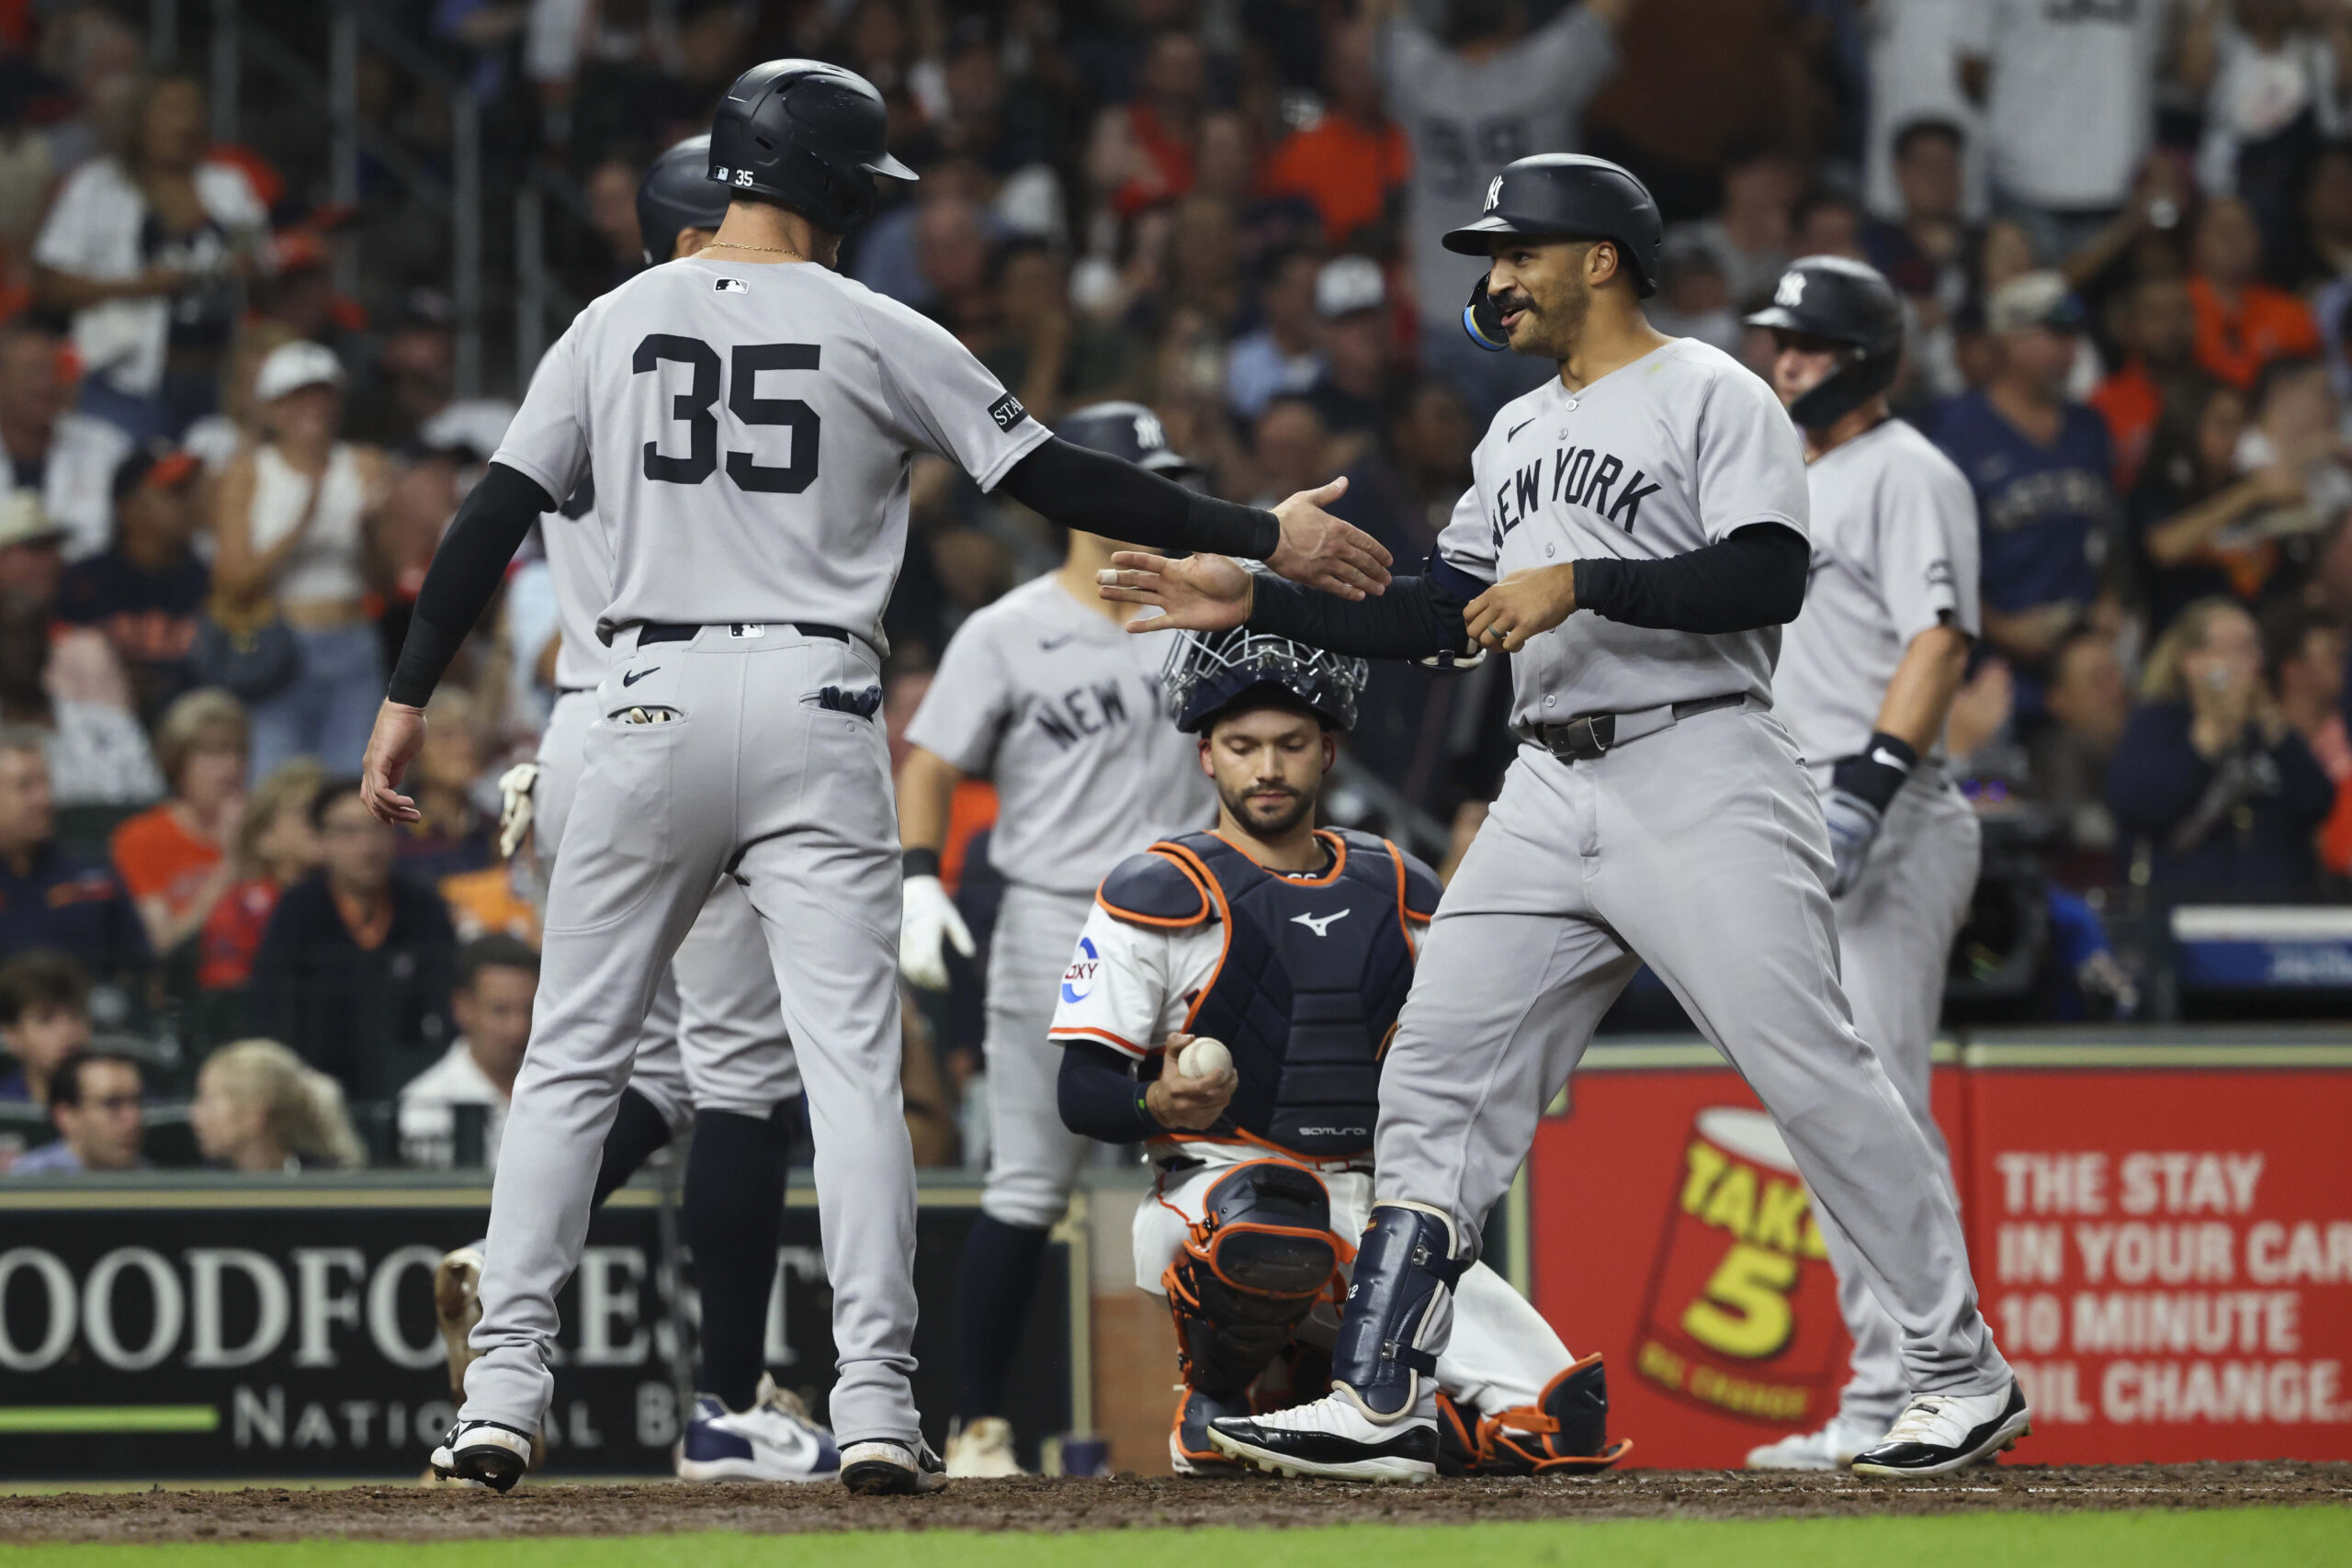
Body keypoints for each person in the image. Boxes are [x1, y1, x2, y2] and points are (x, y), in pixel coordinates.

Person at [358, 60, 1388, 1497]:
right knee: (848, 1069)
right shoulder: (877, 323)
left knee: (572, 1058)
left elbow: (490, 513)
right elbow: (1061, 480)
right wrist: (1259, 532)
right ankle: (879, 1404)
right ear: (828, 184)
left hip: (638, 694)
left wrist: (408, 692)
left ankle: (502, 1399)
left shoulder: (613, 319)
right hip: (814, 695)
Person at [1103, 153, 2024, 1481]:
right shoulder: (1516, 431)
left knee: (1812, 1072)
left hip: (1698, 758)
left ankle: (1957, 1372)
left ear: (1600, 258)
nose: (1496, 278)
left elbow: (1767, 576)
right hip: (1547, 777)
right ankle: (1382, 1390)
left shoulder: (1711, 387)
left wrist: (1582, 579)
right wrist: (1258, 597)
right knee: (1433, 1075)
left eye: (1517, 251)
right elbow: (1440, 614)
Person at [442, 134, 837, 1488]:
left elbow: (492, 513)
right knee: (743, 1079)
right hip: (695, 733)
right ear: (690, 239)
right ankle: (728, 1405)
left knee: (636, 1070)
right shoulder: (725, 356)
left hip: (580, 744)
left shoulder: (596, 351)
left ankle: (501, 1261)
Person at [1053, 626, 1629, 1478]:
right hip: (1217, 1190)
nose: (1267, 768)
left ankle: (1342, 1394)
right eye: (1242, 746)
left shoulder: (1401, 886)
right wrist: (1155, 1104)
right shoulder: (1158, 890)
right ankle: (1222, 1398)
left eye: (1290, 744)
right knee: (1275, 1230)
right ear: (1206, 755)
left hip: (1379, 1206)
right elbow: (1079, 1090)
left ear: (1327, 751)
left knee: (1557, 1422)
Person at [896, 401, 1217, 1478]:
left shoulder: (1204, 610)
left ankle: (1246, 1410)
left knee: (1229, 1166)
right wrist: (917, 877)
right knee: (1028, 1184)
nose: (1158, 500)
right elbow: (930, 764)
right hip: (1053, 914)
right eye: (1140, 480)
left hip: (1194, 915)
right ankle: (977, 1424)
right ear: (1082, 494)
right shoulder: (1007, 628)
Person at [1740, 256, 1985, 1469]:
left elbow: (1939, 640)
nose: (1786, 361)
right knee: (1830, 1115)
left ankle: (1927, 1387)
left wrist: (1867, 793)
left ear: (1866, 359)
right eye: (1780, 342)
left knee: (1879, 1107)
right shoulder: (1780, 476)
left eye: (1810, 345)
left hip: (1884, 808)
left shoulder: (1908, 469)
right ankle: (1884, 1391)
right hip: (1794, 806)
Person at [1374, 0, 1636, 423]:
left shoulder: (1418, 73)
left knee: (1460, 456)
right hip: (1542, 303)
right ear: (1515, 19)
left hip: (1447, 306)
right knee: (1547, 451)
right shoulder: (1545, 69)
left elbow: (1384, 14)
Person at [31, 73, 267, 441]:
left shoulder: (230, 186)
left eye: (194, 109)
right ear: (140, 119)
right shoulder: (97, 185)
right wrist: (141, 287)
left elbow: (260, 269)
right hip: (123, 380)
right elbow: (50, 286)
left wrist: (251, 269)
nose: (186, 122)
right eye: (171, 109)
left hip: (217, 382)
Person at [211, 340, 390, 778]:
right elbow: (232, 581)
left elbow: (386, 581)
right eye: (297, 397)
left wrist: (372, 531)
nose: (313, 408)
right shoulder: (248, 472)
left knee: (354, 782)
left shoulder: (365, 464)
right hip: (280, 645)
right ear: (273, 409)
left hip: (351, 640)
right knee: (276, 780)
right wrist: (301, 522)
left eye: (323, 394)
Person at [1931, 272, 2118, 689]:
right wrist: (1999, 626)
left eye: (2074, 336)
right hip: (1987, 665)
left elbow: (2107, 533)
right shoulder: (1956, 430)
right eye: (2056, 335)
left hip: (2078, 652)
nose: (2070, 349)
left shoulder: (2090, 428)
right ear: (2010, 339)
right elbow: (1934, 553)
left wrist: (2108, 601)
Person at [243, 776, 457, 1103]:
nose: (365, 846)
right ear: (321, 840)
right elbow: (271, 1013)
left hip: (415, 1093)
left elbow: (448, 1006)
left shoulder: (425, 909)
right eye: (347, 832)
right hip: (315, 1093)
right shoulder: (297, 912)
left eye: (377, 828)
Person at [2108, 596, 2335, 897]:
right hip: (2186, 903)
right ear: (2192, 661)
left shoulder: (2267, 730)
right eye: (2236, 648)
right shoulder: (2159, 722)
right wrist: (2207, 739)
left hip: (2279, 903)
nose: (2251, 661)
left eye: (2255, 648)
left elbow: (2319, 802)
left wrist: (2278, 735)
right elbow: (2138, 806)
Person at [1952, 0, 2172, 270]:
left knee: (2113, 299)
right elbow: (1971, 66)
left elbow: (2162, 55)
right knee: (2021, 296)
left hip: (2122, 186)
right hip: (2021, 183)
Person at [2126, 380, 2300, 637]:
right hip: (2184, 636)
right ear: (2189, 424)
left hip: (2255, 628)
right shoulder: (2158, 488)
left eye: (2240, 425)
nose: (2235, 437)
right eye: (2223, 425)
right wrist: (2249, 493)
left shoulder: (2246, 485)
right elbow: (2165, 547)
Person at [59, 446, 210, 720]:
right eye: (174, 492)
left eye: (192, 491)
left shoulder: (210, 582)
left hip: (188, 727)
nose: (190, 503)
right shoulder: (82, 582)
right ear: (128, 509)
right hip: (95, 724)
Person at [0, 727, 146, 984]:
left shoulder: (95, 876)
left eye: (46, 783)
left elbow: (142, 969)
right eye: (25, 786)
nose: (44, 799)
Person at [0, 577, 163, 808]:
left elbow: (150, 801)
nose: (19, 651)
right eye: (8, 637)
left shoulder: (109, 727)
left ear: (48, 647)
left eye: (30, 636)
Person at [109, 686, 247, 957]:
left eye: (239, 752)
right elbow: (166, 944)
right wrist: (232, 864)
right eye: (213, 752)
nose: (231, 766)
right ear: (177, 761)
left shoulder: (264, 828)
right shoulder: (141, 839)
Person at [0, 319, 131, 561]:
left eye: (58, 371)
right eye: (32, 371)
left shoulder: (107, 445)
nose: (47, 383)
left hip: (86, 580)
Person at [196, 757, 323, 995]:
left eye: (325, 812)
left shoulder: (360, 901)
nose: (319, 823)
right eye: (305, 812)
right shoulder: (240, 911)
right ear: (264, 839)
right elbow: (226, 998)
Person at [2186, 195, 2322, 393]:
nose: (2232, 240)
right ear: (2195, 241)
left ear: (2259, 240)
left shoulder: (2292, 313)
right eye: (2221, 230)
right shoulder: (2173, 306)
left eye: (2242, 230)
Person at [2089, 275, 2201, 495]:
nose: (2172, 325)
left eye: (2182, 312)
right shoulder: (2102, 407)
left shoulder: (2221, 388)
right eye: (2156, 315)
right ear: (2130, 328)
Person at [187, 1036, 364, 1171]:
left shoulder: (323, 1190)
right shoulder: (202, 1189)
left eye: (208, 1101)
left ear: (253, 1116)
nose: (193, 1114)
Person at [11, 1048, 145, 1173]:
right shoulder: (29, 1181)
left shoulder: (150, 1175)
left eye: (137, 1102)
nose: (133, 1119)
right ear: (66, 1116)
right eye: (112, 1104)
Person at [0, 951, 93, 1104]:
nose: (68, 1032)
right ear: (12, 1035)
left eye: (76, 1015)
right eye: (46, 1020)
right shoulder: (5, 1107)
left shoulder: (124, 1107)